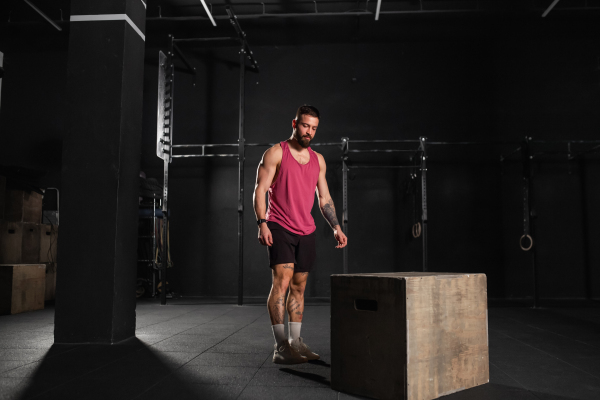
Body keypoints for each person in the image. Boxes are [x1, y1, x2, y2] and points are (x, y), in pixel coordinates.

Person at [253, 105, 348, 364]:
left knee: (299, 287)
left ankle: (295, 341)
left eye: (314, 128)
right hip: (280, 225)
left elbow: (324, 198)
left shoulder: (318, 160)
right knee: (281, 283)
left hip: (306, 230)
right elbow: (260, 190)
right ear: (294, 123)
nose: (309, 131)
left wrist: (336, 226)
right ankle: (280, 345)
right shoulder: (276, 153)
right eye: (305, 125)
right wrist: (262, 223)